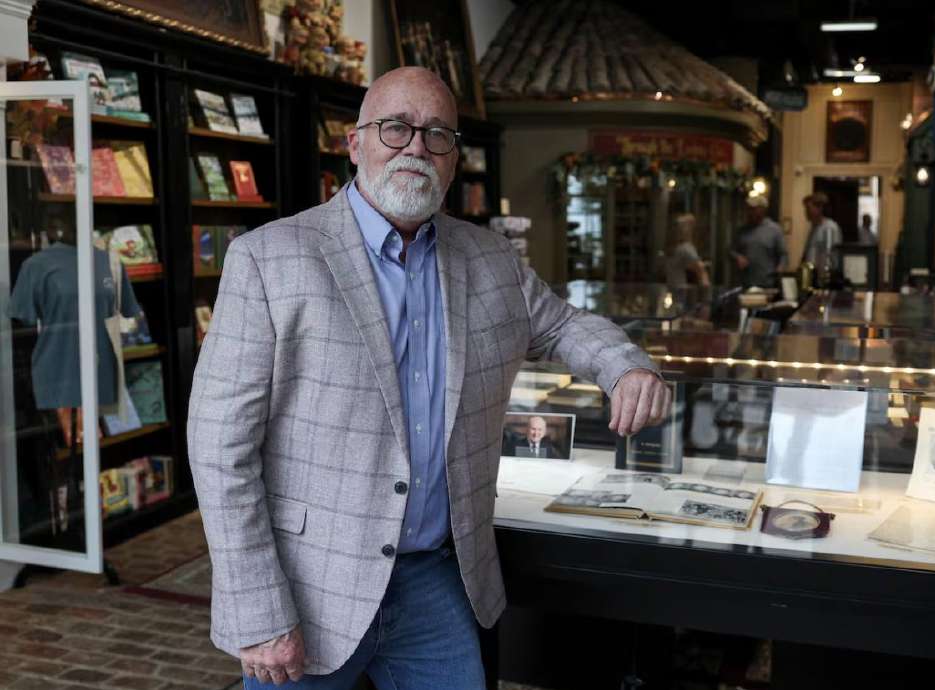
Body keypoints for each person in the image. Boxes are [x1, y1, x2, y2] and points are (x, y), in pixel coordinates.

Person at [187, 66, 671, 690]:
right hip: (312, 584)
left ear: (452, 158)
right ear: (355, 142)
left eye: (437, 134)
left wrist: (626, 364)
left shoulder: (491, 257)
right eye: (396, 128)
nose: (416, 146)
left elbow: (563, 325)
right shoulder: (270, 259)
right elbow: (218, 445)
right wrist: (256, 609)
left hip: (437, 582)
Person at [730, 195, 787, 288]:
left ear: (763, 210)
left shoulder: (774, 230)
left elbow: (783, 254)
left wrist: (780, 269)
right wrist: (737, 257)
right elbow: (731, 250)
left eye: (753, 209)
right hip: (745, 283)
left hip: (767, 283)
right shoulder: (742, 230)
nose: (750, 212)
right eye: (748, 209)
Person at [664, 213, 710, 289]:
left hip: (676, 291)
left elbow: (699, 271)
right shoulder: (683, 248)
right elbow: (701, 272)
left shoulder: (681, 248)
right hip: (678, 291)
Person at [800, 192, 841, 272]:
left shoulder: (830, 227)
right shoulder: (814, 228)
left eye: (808, 208)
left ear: (819, 208)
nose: (806, 212)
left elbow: (832, 256)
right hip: (811, 273)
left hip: (823, 275)